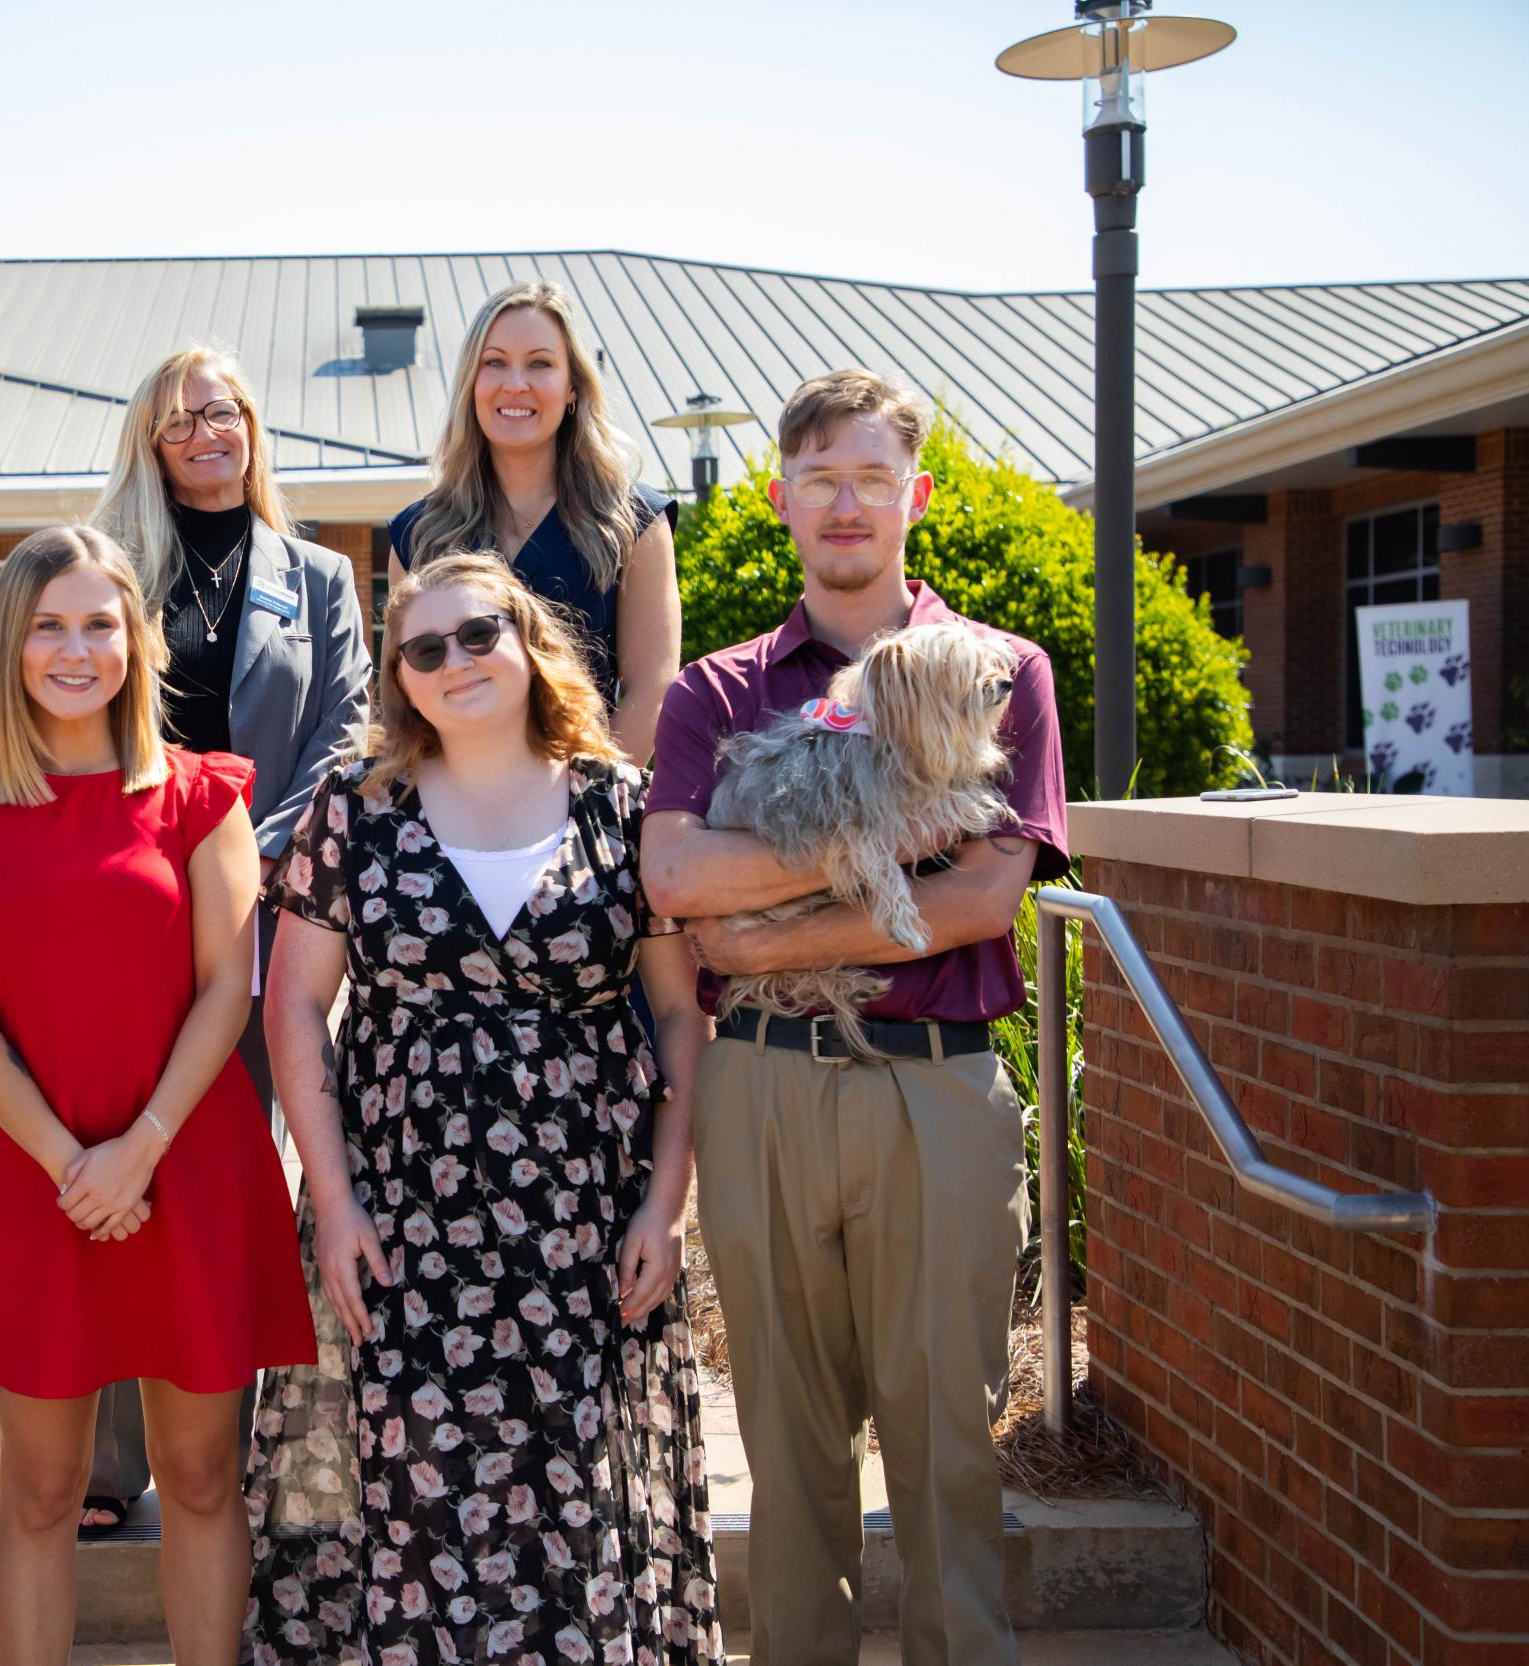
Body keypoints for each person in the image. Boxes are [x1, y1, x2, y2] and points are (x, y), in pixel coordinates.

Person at [641, 369, 1069, 1666]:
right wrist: (887, 836)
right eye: (820, 477)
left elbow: (987, 894)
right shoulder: (716, 694)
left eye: (871, 477)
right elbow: (673, 882)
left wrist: (766, 920)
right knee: (790, 1455)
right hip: (759, 1084)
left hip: (937, 1090)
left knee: (948, 1449)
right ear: (780, 497)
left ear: (914, 496)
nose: (846, 503)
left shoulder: (997, 674)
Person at [243, 551, 722, 1665]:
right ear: (398, 676)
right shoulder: (352, 810)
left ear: (526, 643)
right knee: (410, 1487)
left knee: (576, 1487)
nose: (454, 661)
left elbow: (679, 1016)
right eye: (425, 648)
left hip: (583, 1218)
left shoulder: (621, 807)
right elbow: (296, 1010)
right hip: (407, 1214)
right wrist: (334, 1200)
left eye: (477, 635)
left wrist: (665, 1203)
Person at [0, 525, 315, 1666]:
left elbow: (232, 985)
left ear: (135, 639)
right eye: (48, 625)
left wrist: (138, 1147)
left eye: (99, 623)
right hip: (26, 1173)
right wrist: (71, 1162)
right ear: (9, 646)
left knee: (196, 1475)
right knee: (40, 1487)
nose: (75, 649)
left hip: (185, 1159)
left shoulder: (199, 796)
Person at [85, 344, 373, 1533]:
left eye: (220, 411)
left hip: (264, 907)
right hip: (125, 907)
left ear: (253, 424)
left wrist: (251, 857)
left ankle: (232, 1446)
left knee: (230, 1176)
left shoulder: (316, 579)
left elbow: (346, 732)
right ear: (148, 445)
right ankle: (107, 1465)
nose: (204, 433)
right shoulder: (109, 568)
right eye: (175, 421)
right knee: (115, 1157)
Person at [389, 280, 681, 762]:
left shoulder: (634, 522)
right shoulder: (418, 534)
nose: (516, 383)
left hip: (586, 806)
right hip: (451, 815)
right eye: (495, 362)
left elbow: (654, 684)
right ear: (471, 385)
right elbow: (402, 700)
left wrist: (588, 801)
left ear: (573, 388)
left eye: (540, 363)